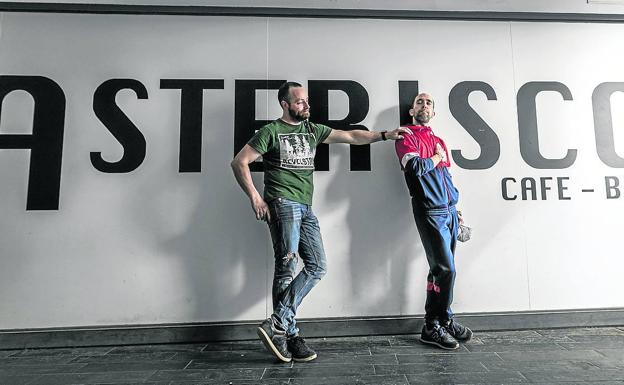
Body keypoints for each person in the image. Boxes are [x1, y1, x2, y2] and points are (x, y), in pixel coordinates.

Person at [231, 81, 408, 363]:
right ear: (285, 104)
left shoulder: (312, 130)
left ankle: (278, 324)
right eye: (300, 102)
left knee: (317, 265)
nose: (306, 105)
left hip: (305, 206)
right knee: (287, 267)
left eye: (306, 101)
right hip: (282, 202)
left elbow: (351, 136)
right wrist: (255, 197)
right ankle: (289, 334)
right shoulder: (271, 131)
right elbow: (240, 162)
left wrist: (385, 134)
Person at [394, 92, 473, 350]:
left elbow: (445, 176)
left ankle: (443, 320)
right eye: (419, 101)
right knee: (446, 270)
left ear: (434, 112)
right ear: (412, 111)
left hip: (448, 210)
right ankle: (431, 325)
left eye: (428, 103)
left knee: (439, 270)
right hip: (430, 210)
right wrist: (436, 157)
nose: (424, 105)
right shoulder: (406, 135)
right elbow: (415, 168)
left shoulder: (438, 140)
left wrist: (456, 208)